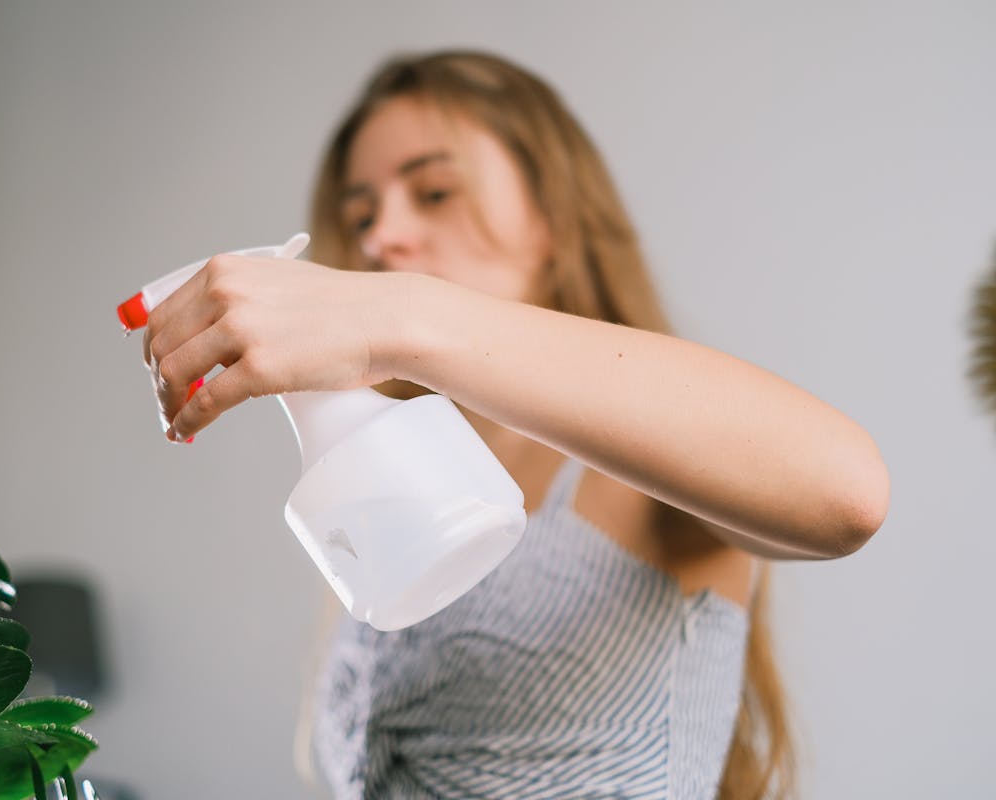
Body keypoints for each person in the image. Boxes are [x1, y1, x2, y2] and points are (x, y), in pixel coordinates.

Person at [142, 51, 889, 799]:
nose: (380, 239)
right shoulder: (407, 482)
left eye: (434, 192)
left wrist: (400, 311)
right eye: (360, 215)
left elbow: (846, 493)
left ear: (554, 220)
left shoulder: (643, 464)